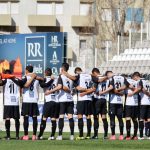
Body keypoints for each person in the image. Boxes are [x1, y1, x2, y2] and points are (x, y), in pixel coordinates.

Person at [45, 63, 74, 140]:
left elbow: (60, 87)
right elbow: (72, 89)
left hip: (62, 99)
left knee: (61, 117)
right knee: (70, 117)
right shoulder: (71, 78)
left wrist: (50, 91)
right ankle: (72, 135)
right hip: (70, 99)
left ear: (62, 69)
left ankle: (60, 135)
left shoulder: (61, 77)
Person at [100, 71, 130, 140]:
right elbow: (127, 85)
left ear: (109, 74)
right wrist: (120, 90)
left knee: (112, 118)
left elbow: (111, 87)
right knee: (120, 119)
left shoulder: (112, 78)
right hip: (120, 102)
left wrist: (103, 92)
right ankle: (121, 135)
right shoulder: (123, 78)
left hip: (112, 102)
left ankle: (113, 135)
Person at [15, 65, 41, 140]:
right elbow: (42, 80)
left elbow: (23, 85)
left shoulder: (25, 77)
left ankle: (26, 135)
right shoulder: (36, 78)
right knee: (34, 118)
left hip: (27, 100)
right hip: (34, 100)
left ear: (26, 70)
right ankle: (34, 135)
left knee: (26, 118)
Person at [38, 68, 59, 140]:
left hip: (49, 101)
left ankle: (40, 135)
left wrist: (52, 79)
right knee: (53, 119)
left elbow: (44, 85)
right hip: (56, 102)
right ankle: (52, 136)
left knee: (44, 118)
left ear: (45, 73)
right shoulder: (56, 79)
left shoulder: (43, 80)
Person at [0, 70, 20, 140]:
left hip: (8, 102)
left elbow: (0, 83)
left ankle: (8, 136)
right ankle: (17, 136)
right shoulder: (17, 79)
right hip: (16, 102)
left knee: (7, 118)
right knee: (16, 119)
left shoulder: (5, 80)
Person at [92, 68, 109, 139]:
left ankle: (96, 135)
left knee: (96, 117)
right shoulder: (106, 78)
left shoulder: (96, 78)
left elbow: (94, 88)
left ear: (94, 72)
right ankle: (105, 135)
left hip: (97, 99)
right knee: (104, 117)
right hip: (104, 99)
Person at [124, 73, 141, 140]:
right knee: (134, 119)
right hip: (136, 103)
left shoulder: (128, 81)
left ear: (134, 76)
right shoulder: (138, 82)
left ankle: (128, 136)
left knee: (128, 119)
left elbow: (124, 88)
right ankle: (135, 136)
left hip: (129, 103)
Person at [137, 73, 150, 140]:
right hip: (149, 102)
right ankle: (148, 135)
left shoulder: (141, 82)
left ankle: (141, 136)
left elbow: (141, 89)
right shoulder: (149, 83)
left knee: (141, 119)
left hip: (143, 102)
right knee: (148, 119)